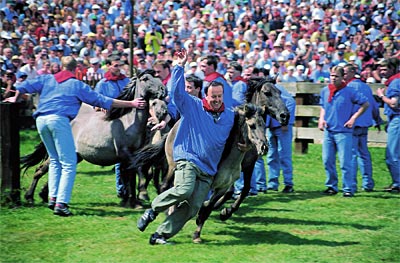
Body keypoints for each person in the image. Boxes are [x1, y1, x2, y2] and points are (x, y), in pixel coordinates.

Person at [3, 56, 147, 217]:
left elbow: (23, 86)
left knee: (55, 159)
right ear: (75, 68)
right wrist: (132, 104)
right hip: (59, 120)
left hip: (41, 121)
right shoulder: (76, 84)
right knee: (69, 163)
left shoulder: (47, 79)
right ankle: (61, 204)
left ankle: (52, 197)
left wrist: (14, 97)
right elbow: (101, 100)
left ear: (61, 67)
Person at [136, 49, 236, 245]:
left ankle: (160, 236)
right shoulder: (193, 105)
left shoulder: (229, 115)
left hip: (208, 170)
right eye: (212, 96)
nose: (216, 100)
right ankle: (152, 210)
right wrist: (179, 67)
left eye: (219, 96)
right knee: (183, 189)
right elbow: (177, 93)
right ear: (205, 95)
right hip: (189, 159)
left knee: (192, 208)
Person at [318, 66, 369, 197]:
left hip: (343, 131)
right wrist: (321, 119)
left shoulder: (349, 91)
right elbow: (323, 106)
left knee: (345, 161)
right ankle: (331, 186)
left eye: (336, 76)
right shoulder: (325, 91)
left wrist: (353, 118)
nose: (333, 78)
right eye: (332, 76)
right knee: (327, 160)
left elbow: (365, 104)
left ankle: (348, 188)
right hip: (329, 131)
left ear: (342, 78)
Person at [94, 55, 130, 198]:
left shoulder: (127, 81)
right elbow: (95, 104)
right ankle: (121, 189)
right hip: (112, 124)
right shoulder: (102, 84)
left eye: (119, 65)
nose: (118, 68)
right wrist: (101, 107)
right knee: (120, 157)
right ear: (108, 66)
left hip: (129, 123)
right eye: (115, 65)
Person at [343, 64, 382, 192]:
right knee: (364, 154)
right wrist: (377, 120)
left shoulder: (348, 88)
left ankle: (351, 185)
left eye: (345, 73)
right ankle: (368, 183)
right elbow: (374, 105)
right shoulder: (366, 87)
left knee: (352, 154)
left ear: (352, 73)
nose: (343, 76)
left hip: (352, 124)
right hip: (365, 123)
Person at [265, 83, 296, 193]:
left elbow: (291, 102)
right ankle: (273, 183)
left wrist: (285, 122)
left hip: (282, 127)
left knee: (284, 155)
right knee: (272, 155)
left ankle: (288, 183)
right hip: (271, 127)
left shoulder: (278, 89)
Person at [375, 58, 400, 193]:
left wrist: (381, 96)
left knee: (392, 155)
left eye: (385, 69)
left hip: (397, 118)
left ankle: (397, 183)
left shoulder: (395, 82)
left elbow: (394, 103)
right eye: (381, 69)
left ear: (393, 69)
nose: (382, 72)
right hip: (394, 119)